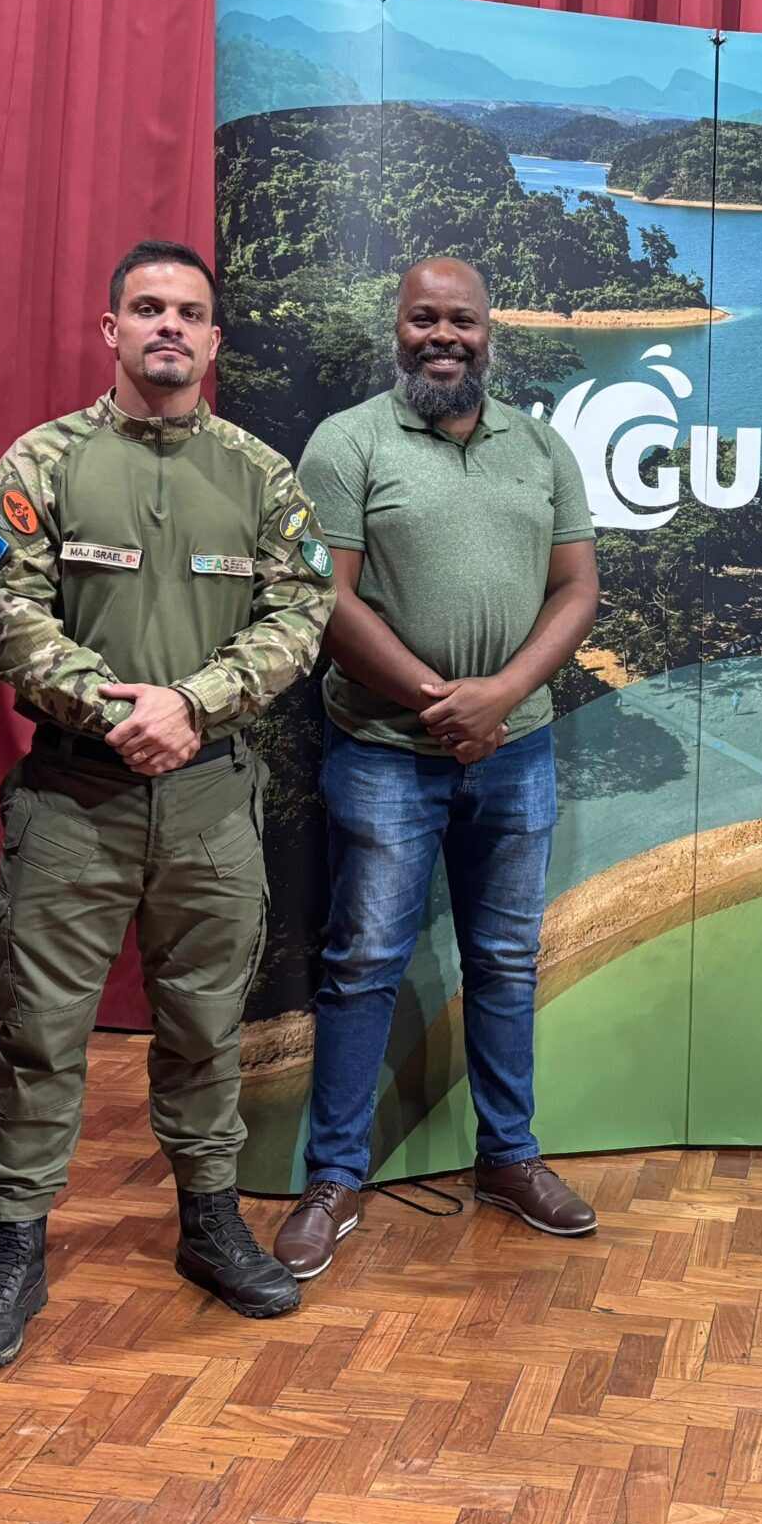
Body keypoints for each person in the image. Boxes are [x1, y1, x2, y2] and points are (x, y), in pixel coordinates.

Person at [0, 237, 332, 1370]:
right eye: (148, 308)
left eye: (189, 312)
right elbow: (0, 608)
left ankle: (209, 1223)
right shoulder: (42, 462)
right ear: (109, 328)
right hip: (74, 795)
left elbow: (300, 613)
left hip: (210, 798)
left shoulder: (262, 477)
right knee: (39, 1034)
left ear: (214, 339)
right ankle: (15, 1249)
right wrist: (114, 707)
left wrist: (192, 704)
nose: (170, 326)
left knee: (207, 1028)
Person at [275, 256, 602, 1281]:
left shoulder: (541, 447)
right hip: (383, 753)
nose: (443, 337)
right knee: (363, 963)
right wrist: (440, 701)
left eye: (462, 320)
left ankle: (508, 1158)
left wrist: (500, 697)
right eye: (425, 319)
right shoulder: (348, 443)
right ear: (399, 327)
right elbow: (325, 600)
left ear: (489, 332)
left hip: (519, 748)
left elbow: (577, 589)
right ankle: (334, 1178)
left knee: (504, 961)